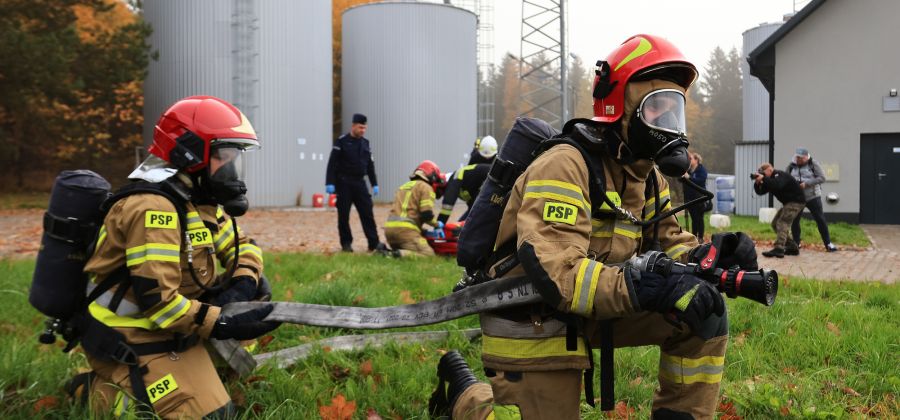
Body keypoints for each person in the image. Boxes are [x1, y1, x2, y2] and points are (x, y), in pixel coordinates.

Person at [430, 34, 758, 419]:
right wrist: (636, 285)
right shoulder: (564, 164)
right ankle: (466, 396)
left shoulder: (646, 175)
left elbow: (670, 241)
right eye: (656, 110)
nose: (669, 124)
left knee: (702, 308)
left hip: (593, 306)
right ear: (621, 107)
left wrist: (708, 257)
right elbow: (559, 272)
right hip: (534, 314)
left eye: (675, 111)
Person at [74, 96, 281, 418]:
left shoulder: (197, 201)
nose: (231, 168)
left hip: (176, 326)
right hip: (131, 333)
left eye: (234, 158)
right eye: (224, 156)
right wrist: (223, 322)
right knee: (213, 415)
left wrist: (243, 282)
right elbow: (160, 304)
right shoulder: (152, 209)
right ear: (192, 153)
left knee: (228, 379)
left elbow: (245, 245)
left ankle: (192, 372)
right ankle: (98, 392)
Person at [325, 113, 383, 253]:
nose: (362, 130)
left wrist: (374, 183)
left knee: (367, 213)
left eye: (364, 128)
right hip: (344, 183)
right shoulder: (342, 141)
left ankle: (373, 243)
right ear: (353, 126)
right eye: (360, 127)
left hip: (359, 183)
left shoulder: (365, 143)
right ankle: (346, 243)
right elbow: (332, 163)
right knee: (343, 215)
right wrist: (330, 182)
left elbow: (370, 166)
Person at [381, 160, 446, 257]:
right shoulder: (426, 187)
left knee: (407, 249)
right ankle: (392, 255)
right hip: (406, 233)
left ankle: (385, 251)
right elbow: (426, 215)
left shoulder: (403, 186)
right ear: (432, 175)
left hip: (389, 231)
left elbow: (406, 215)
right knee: (429, 254)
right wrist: (437, 225)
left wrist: (424, 232)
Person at [787, 147, 838, 252]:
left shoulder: (813, 164)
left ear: (806, 157)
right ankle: (796, 243)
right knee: (795, 221)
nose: (798, 160)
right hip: (797, 198)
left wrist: (806, 184)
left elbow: (822, 178)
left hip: (813, 197)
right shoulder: (791, 165)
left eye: (801, 158)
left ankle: (828, 243)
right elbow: (786, 178)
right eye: (797, 157)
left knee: (820, 219)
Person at [752, 162, 806, 258]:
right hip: (789, 203)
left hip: (796, 201)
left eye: (764, 173)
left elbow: (778, 185)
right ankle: (792, 247)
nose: (763, 175)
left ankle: (779, 248)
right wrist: (757, 183)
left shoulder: (779, 175)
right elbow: (761, 191)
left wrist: (764, 178)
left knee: (782, 222)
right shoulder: (769, 180)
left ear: (770, 170)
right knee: (775, 223)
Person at [683, 151, 709, 242]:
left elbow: (701, 180)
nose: (689, 160)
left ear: (696, 160)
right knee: (693, 218)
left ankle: (700, 237)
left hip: (700, 198)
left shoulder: (701, 170)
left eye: (691, 159)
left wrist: (689, 178)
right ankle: (694, 237)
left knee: (699, 218)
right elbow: (683, 181)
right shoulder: (689, 170)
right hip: (690, 199)